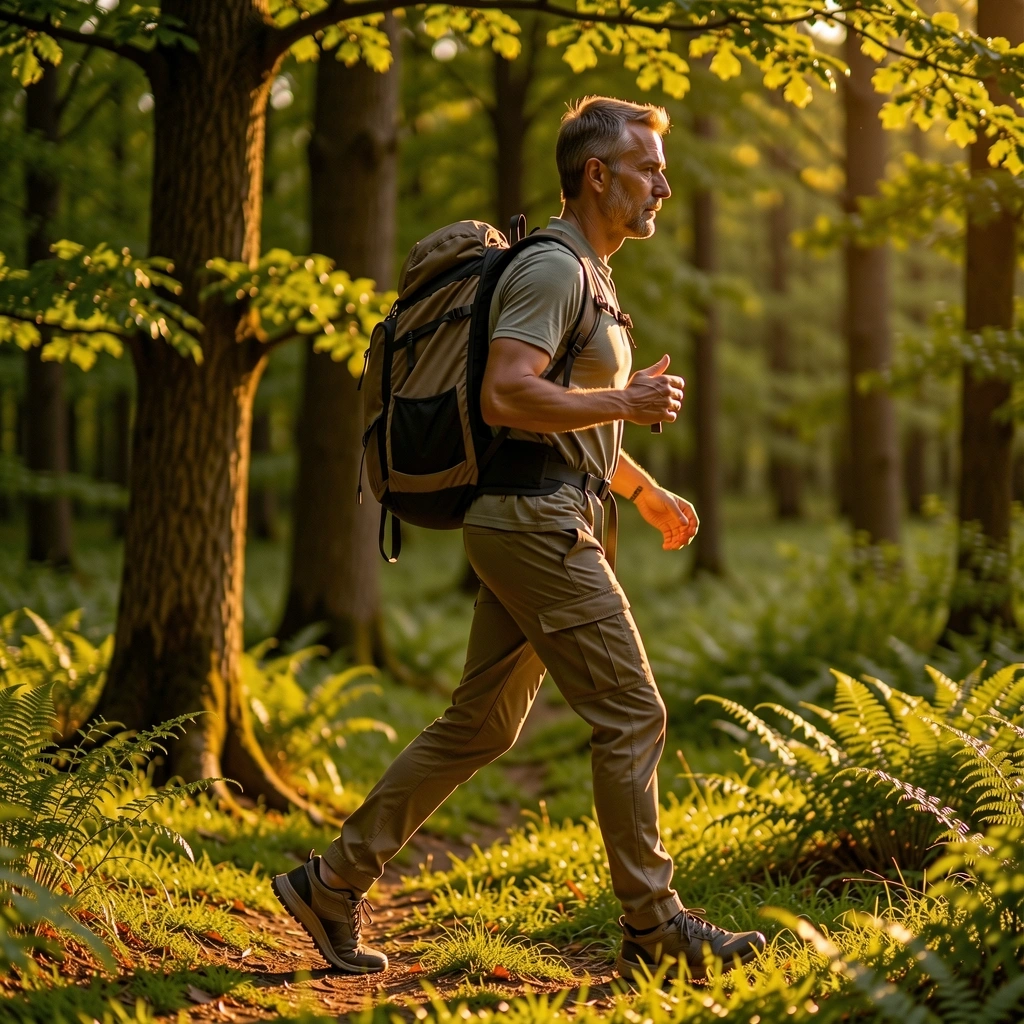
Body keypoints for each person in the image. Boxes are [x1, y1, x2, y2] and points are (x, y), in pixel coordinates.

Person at [272, 95, 766, 981]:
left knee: (481, 727)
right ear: (597, 175)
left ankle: (331, 883)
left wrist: (643, 490)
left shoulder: (591, 275)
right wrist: (628, 401)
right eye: (647, 169)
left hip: (539, 515)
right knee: (632, 712)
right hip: (536, 524)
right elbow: (506, 394)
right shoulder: (553, 270)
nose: (663, 186)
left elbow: (561, 420)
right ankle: (655, 928)